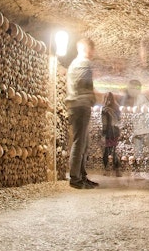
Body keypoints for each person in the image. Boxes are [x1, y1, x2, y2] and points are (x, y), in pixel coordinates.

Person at [65, 37, 99, 189]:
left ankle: (82, 176)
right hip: (80, 106)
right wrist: (93, 98)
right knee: (80, 143)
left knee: (84, 142)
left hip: (77, 105)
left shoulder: (75, 64)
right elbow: (85, 86)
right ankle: (75, 179)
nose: (93, 53)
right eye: (92, 49)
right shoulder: (84, 63)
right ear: (86, 49)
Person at [122, 79, 149, 182]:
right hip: (143, 130)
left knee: (139, 153)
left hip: (138, 130)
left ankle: (138, 174)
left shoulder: (135, 99)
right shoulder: (139, 98)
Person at [101, 92, 122, 177]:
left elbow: (104, 122)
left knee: (107, 151)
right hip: (116, 132)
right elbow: (119, 120)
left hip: (109, 132)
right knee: (114, 150)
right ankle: (117, 170)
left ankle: (106, 169)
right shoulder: (117, 108)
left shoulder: (105, 109)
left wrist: (103, 133)